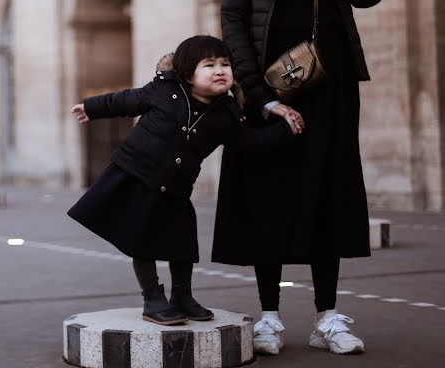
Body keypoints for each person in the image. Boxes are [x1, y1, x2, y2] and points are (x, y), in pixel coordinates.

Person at [214, 0, 383, 355]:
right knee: (270, 200)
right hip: (272, 95)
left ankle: (327, 317)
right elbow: (235, 25)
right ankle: (268, 317)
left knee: (326, 198)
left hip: (330, 91)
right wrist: (259, 96)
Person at [68, 35, 299, 325]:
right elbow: (127, 100)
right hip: (137, 175)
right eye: (210, 65)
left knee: (182, 242)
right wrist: (91, 107)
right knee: (141, 241)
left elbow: (250, 144)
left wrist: (286, 130)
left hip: (177, 188)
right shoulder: (164, 90)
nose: (220, 70)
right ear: (188, 74)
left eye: (226, 64)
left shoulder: (228, 113)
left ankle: (182, 296)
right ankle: (153, 297)